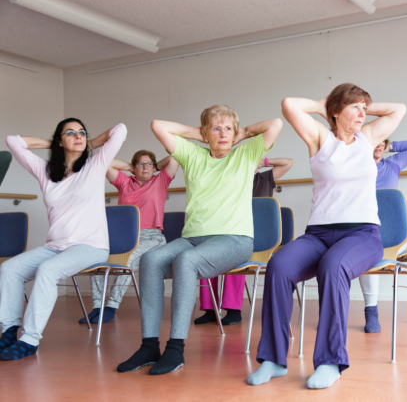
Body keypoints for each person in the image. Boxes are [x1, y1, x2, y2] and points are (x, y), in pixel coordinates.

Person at [247, 83, 406, 389]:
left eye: (364, 108)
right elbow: (289, 103)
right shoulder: (320, 138)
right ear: (335, 111)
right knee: (279, 266)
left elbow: (399, 109)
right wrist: (325, 106)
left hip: (362, 234)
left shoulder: (368, 137)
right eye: (354, 107)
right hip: (318, 234)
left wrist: (360, 106)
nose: (361, 113)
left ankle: (330, 362)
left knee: (333, 267)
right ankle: (273, 360)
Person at [117, 105, 282, 375]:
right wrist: (198, 134)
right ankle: (149, 346)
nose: (223, 133)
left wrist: (243, 133)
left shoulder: (246, 154)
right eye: (216, 128)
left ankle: (175, 349)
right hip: (193, 238)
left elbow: (275, 123)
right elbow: (158, 124)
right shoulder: (192, 154)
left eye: (228, 128)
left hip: (235, 239)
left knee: (186, 262)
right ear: (206, 133)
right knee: (150, 259)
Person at [0, 119, 126, 360]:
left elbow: (120, 130)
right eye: (71, 133)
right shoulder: (45, 170)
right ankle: (9, 330)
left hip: (91, 246)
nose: (78, 136)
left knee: (48, 271)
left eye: (82, 132)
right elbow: (13, 142)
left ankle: (30, 339)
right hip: (55, 247)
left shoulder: (95, 164)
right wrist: (58, 145)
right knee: (10, 268)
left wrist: (86, 144)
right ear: (59, 139)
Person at [79, 150, 179, 324]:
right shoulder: (124, 182)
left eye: (149, 164)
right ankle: (98, 306)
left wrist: (154, 167)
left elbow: (174, 158)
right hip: (124, 237)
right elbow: (103, 162)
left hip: (152, 237)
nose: (145, 167)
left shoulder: (160, 181)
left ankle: (111, 307)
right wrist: (129, 168)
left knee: (129, 257)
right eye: (141, 164)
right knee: (96, 255)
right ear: (134, 167)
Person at [195, 156, 294, 326]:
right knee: (205, 256)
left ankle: (233, 310)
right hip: (227, 234)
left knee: (236, 252)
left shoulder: (264, 179)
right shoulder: (226, 184)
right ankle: (210, 310)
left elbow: (288, 162)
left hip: (255, 239)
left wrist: (261, 162)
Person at [360, 138, 407, 333]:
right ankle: (334, 312)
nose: (379, 144)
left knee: (368, 251)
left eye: (383, 142)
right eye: (374, 140)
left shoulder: (393, 164)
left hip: (394, 237)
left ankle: (371, 313)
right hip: (365, 233)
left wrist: (388, 144)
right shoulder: (357, 167)